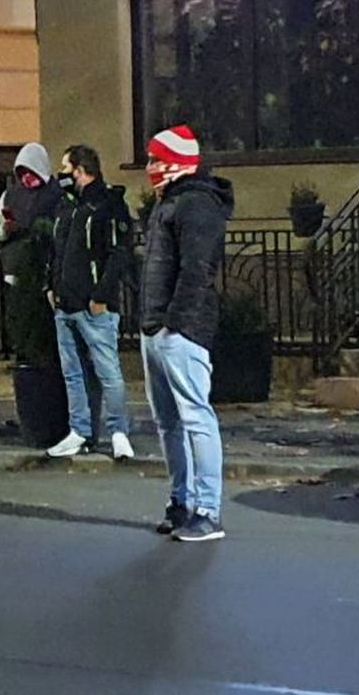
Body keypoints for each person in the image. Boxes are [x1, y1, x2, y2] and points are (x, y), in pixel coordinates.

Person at [140, 125, 234, 542]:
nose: (150, 167)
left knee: (194, 418)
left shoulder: (195, 205)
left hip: (180, 330)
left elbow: (198, 270)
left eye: (156, 159)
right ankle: (181, 503)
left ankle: (206, 511)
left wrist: (172, 322)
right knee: (170, 423)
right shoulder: (172, 202)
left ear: (177, 162)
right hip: (160, 327)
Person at [46, 145, 136, 461]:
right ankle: (80, 432)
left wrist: (101, 295)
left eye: (66, 167)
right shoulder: (68, 206)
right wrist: (51, 286)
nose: (62, 175)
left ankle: (119, 433)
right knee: (73, 373)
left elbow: (118, 254)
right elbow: (57, 251)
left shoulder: (107, 205)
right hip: (65, 303)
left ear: (81, 170)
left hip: (93, 306)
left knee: (107, 372)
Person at [0, 143, 62, 286]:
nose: (26, 177)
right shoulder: (10, 195)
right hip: (15, 273)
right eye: (22, 172)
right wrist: (4, 230)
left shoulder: (57, 194)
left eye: (30, 170)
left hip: (46, 273)